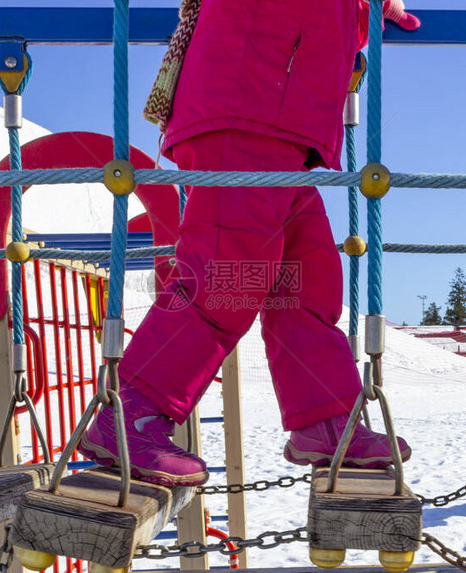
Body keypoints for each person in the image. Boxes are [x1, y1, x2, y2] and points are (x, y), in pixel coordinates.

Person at [81, 0, 421, 486]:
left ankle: (323, 418)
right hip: (245, 105)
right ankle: (131, 413)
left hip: (284, 125)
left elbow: (326, 28)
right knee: (227, 279)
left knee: (306, 278)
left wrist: (368, 11)